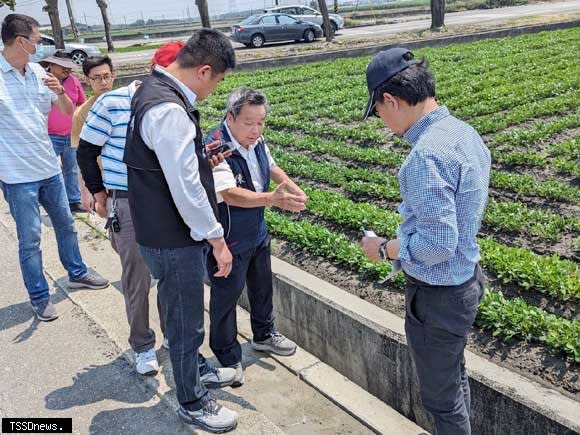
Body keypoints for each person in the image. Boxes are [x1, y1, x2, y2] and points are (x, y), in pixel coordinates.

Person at [76, 42, 236, 388]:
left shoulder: (156, 98)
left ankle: (183, 355)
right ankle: (146, 349)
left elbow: (174, 167)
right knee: (140, 281)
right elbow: (86, 150)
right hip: (133, 203)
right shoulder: (158, 106)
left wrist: (202, 161)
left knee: (173, 296)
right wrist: (98, 191)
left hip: (162, 205)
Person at [360, 48, 491, 435]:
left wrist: (383, 249)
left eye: (379, 112)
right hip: (465, 280)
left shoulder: (425, 156)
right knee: (452, 375)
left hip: (438, 295)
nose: (382, 121)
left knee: (441, 399)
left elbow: (437, 244)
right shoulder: (462, 132)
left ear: (391, 100)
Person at [123, 30, 239, 433]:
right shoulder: (168, 110)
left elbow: (167, 163)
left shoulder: (150, 88)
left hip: (157, 229)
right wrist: (217, 239)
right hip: (173, 237)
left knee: (178, 312)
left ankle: (196, 373)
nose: (215, 89)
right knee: (187, 321)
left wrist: (199, 155)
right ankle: (192, 401)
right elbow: (186, 187)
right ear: (204, 70)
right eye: (218, 80)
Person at [0, 14, 109, 322]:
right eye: (37, 40)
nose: (40, 46)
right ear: (22, 41)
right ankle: (39, 295)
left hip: (48, 168)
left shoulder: (37, 72)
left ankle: (77, 272)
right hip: (17, 176)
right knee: (31, 238)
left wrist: (60, 92)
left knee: (66, 225)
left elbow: (67, 111)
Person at [205, 87, 307, 386]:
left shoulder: (256, 139)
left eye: (261, 122)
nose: (256, 129)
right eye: (249, 122)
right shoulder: (215, 146)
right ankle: (226, 354)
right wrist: (272, 200)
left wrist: (291, 186)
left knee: (262, 286)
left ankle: (263, 335)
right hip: (229, 236)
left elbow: (271, 165)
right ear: (230, 117)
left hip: (257, 229)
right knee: (226, 296)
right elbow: (229, 194)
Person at [42, 50, 87, 213]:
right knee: (48, 169)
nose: (66, 70)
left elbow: (82, 103)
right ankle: (49, 200)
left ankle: (73, 200)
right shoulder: (42, 81)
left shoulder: (73, 81)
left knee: (71, 168)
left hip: (71, 134)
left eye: (69, 67)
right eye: (62, 67)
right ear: (51, 65)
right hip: (49, 135)